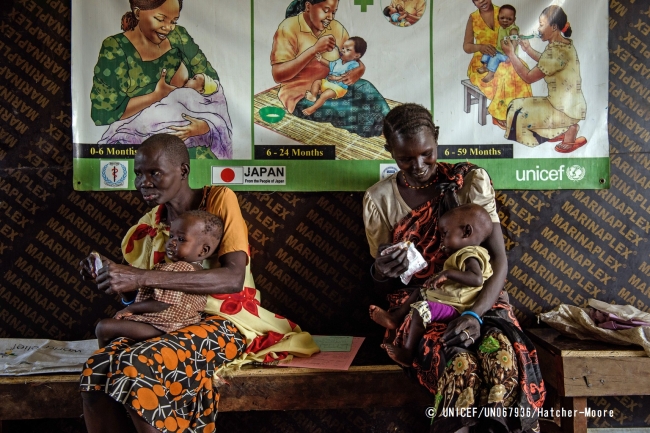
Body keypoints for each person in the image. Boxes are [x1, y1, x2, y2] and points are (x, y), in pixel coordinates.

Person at [79, 134, 317, 433]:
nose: (144, 182)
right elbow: (152, 293)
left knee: (135, 367)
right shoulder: (149, 225)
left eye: (155, 172)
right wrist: (111, 274)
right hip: (168, 322)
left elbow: (232, 279)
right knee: (95, 370)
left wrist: (138, 275)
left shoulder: (218, 200)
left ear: (182, 170)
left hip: (225, 321)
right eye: (139, 173)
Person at [363, 104, 544, 432]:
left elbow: (499, 261)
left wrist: (475, 314)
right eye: (405, 158)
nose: (418, 166)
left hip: (483, 299)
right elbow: (382, 285)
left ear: (438, 140)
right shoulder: (380, 200)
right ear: (389, 151)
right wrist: (380, 269)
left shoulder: (469, 181)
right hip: (422, 307)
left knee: (501, 354)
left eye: (427, 154)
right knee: (458, 361)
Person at [90, 0, 233, 155]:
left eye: (173, 21)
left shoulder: (178, 36)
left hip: (185, 131)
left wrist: (205, 125)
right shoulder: (115, 47)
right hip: (141, 143)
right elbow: (103, 113)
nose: (169, 27)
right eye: (160, 19)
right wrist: (156, 96)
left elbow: (210, 80)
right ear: (138, 13)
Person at [370, 204, 494, 367]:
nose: (441, 240)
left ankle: (408, 353)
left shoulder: (470, 254)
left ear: (466, 232)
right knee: (420, 291)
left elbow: (476, 279)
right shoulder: (463, 253)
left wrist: (446, 274)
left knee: (421, 309)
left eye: (445, 233)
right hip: (450, 298)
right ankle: (394, 318)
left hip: (456, 306)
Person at [94, 210, 223, 347]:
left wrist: (130, 309)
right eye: (171, 236)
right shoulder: (200, 273)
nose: (172, 242)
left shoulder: (181, 270)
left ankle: (104, 358)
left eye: (181, 239)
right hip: (169, 325)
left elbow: (161, 303)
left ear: (203, 251)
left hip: (164, 327)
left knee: (104, 327)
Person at [502, 6, 587, 153]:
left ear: (554, 27)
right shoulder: (561, 46)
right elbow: (546, 62)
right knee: (514, 107)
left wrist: (511, 54)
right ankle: (558, 129)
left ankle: (568, 128)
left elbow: (528, 77)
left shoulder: (557, 51)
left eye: (541, 25)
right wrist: (528, 49)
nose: (539, 29)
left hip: (563, 109)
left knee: (520, 116)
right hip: (561, 104)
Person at [97, 73, 233, 158]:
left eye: (194, 78)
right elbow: (167, 101)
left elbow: (218, 123)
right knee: (119, 126)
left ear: (201, 89)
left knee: (130, 132)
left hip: (163, 127)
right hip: (151, 116)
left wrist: (204, 126)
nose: (190, 78)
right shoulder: (183, 92)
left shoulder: (198, 101)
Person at [270, 0, 365, 114]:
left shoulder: (336, 27)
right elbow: (278, 75)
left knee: (369, 91)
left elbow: (353, 56)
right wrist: (314, 50)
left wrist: (360, 70)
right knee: (355, 113)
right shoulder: (289, 27)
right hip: (302, 94)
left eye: (333, 12)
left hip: (335, 86)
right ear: (308, 6)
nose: (330, 17)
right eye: (326, 10)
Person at [463, 0, 532, 128]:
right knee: (502, 75)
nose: (482, 1)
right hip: (482, 62)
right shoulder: (473, 18)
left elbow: (513, 34)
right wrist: (480, 47)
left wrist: (512, 50)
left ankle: (520, 112)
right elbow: (466, 46)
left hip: (505, 56)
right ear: (473, 2)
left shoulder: (503, 12)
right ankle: (500, 114)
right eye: (477, 0)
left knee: (521, 71)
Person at [302, 37, 367, 116]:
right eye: (343, 48)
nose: (342, 50)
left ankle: (313, 108)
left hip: (338, 88)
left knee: (325, 95)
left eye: (347, 50)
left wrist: (336, 78)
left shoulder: (353, 65)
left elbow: (346, 76)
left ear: (356, 56)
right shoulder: (339, 61)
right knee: (317, 82)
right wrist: (321, 59)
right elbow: (330, 64)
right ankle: (313, 96)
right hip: (328, 82)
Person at [477, 4, 518, 83]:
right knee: (489, 50)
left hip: (508, 54)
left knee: (495, 57)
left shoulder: (513, 30)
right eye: (502, 18)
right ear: (497, 18)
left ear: (514, 20)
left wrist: (511, 56)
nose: (505, 20)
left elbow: (515, 43)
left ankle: (491, 73)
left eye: (509, 19)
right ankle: (485, 66)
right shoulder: (501, 27)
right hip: (500, 50)